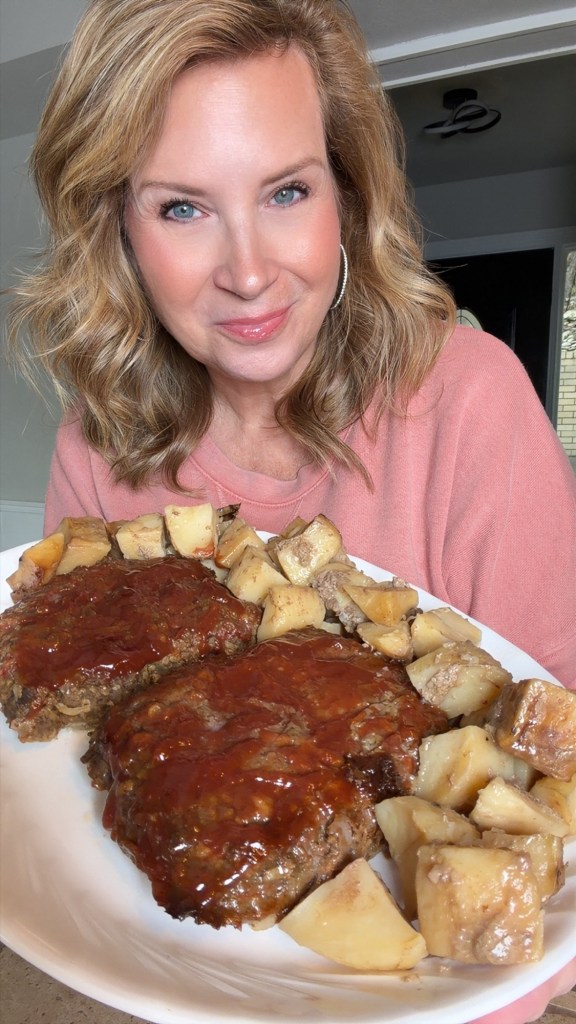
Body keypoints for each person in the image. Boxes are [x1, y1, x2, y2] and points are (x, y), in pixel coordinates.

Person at [7, 1, 575, 1019]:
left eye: (285, 191)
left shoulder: (472, 398)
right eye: (182, 208)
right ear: (117, 228)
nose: (248, 271)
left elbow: (558, 787)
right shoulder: (96, 444)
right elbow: (51, 801)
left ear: (347, 198)